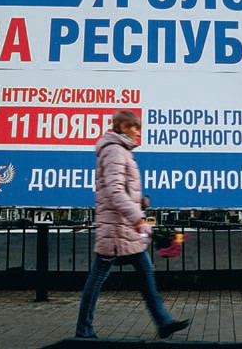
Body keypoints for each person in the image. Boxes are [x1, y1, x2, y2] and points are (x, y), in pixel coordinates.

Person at [75, 110, 189, 339]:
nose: (139, 132)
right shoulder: (115, 151)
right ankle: (83, 330)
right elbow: (115, 191)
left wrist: (139, 203)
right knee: (97, 278)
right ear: (123, 127)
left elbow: (122, 190)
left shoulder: (122, 151)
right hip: (116, 230)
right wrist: (138, 218)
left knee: (146, 271)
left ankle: (163, 322)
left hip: (126, 229)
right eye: (135, 127)